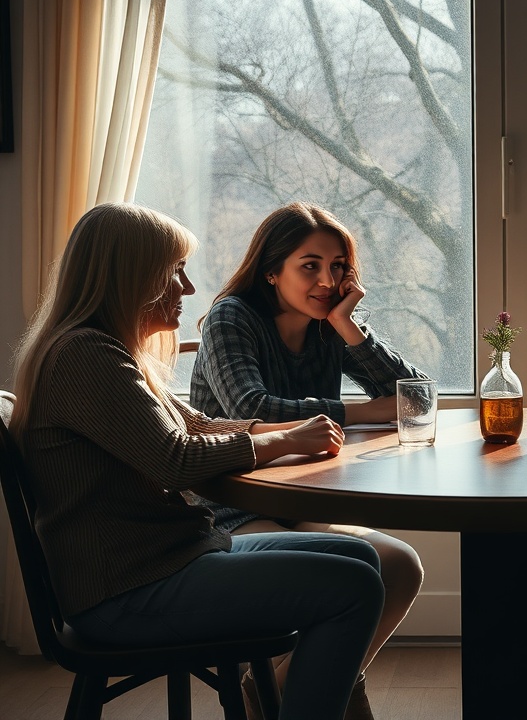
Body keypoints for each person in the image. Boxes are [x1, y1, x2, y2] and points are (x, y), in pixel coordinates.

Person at [9, 203, 385, 720]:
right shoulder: (85, 355)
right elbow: (175, 460)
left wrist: (280, 431)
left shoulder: (113, 351)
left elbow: (197, 425)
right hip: (127, 589)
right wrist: (274, 443)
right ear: (128, 275)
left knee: (361, 559)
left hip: (167, 559)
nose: (187, 288)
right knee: (355, 587)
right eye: (173, 271)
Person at [190, 202, 426, 719]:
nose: (327, 279)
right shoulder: (232, 317)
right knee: (336, 574)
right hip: (228, 500)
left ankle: (279, 687)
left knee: (400, 565)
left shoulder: (328, 326)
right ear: (272, 270)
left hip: (302, 495)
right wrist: (363, 410)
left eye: (338, 266)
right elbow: (250, 409)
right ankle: (331, 688)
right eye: (310, 265)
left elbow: (417, 396)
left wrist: (349, 326)